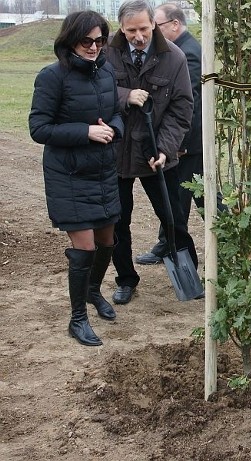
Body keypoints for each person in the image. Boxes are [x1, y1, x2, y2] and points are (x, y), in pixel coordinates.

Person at [29, 11, 124, 346]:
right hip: (68, 175)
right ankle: (77, 318)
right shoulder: (52, 77)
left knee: (107, 242)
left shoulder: (107, 72)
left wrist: (114, 128)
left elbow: (115, 112)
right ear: (71, 40)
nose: (95, 47)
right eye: (87, 41)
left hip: (102, 171)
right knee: (83, 248)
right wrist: (86, 131)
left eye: (100, 41)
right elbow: (38, 128)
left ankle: (94, 292)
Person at [105, 0, 196, 304]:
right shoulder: (107, 53)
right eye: (131, 30)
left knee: (172, 217)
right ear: (121, 27)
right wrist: (125, 95)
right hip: (116, 153)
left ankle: (189, 272)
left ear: (153, 24)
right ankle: (126, 279)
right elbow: (93, 93)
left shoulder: (174, 57)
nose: (138, 36)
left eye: (144, 28)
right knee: (118, 221)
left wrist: (166, 150)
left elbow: (182, 108)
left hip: (155, 153)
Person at [136, 3, 223, 265]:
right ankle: (228, 234)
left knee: (180, 196)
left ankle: (170, 244)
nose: (153, 32)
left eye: (156, 26)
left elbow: (191, 105)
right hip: (186, 142)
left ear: (174, 24)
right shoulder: (182, 49)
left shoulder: (188, 53)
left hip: (188, 143)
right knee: (196, 194)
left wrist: (178, 144)